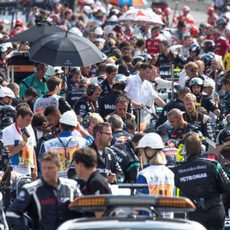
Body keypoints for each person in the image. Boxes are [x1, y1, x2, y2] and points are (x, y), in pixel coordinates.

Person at [6, 151, 81, 230]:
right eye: (44, 168)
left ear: (59, 167)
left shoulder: (71, 186)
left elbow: (84, 211)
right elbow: (12, 214)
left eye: (50, 168)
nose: (46, 171)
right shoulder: (31, 189)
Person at [172, 132, 230, 230]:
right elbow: (226, 187)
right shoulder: (214, 165)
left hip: (193, 215)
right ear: (202, 148)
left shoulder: (177, 171)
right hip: (215, 211)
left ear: (184, 149)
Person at [41, 110, 88, 178]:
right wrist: (80, 129)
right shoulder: (82, 142)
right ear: (74, 127)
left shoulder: (47, 144)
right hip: (74, 183)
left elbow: (42, 164)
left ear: (60, 126)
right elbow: (92, 141)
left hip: (54, 182)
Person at [2, 105, 37, 178]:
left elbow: (32, 148)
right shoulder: (8, 131)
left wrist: (35, 168)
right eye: (27, 120)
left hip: (28, 172)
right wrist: (23, 143)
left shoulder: (29, 129)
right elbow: (10, 152)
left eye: (30, 120)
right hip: (14, 173)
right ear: (20, 117)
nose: (29, 123)